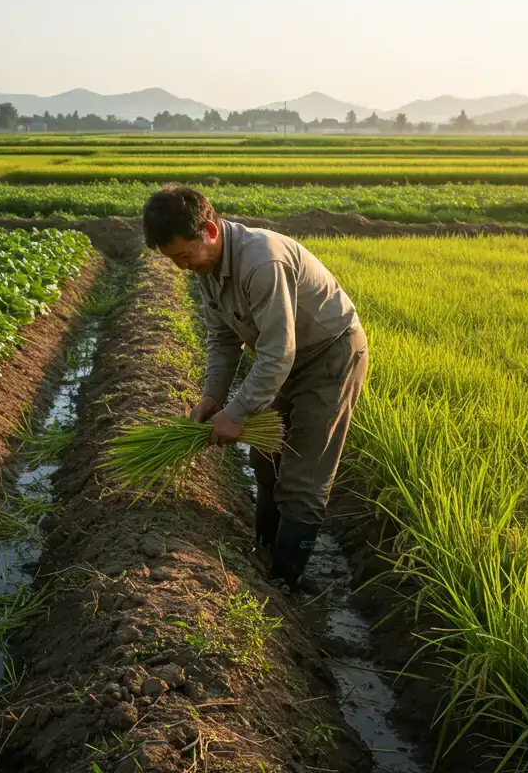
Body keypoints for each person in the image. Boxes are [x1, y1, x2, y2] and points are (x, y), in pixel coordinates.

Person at [142, 184, 369, 590]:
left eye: (182, 255)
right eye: (172, 259)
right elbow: (223, 337)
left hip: (330, 357)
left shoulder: (261, 262)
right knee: (267, 460)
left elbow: (278, 352)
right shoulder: (208, 268)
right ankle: (262, 553)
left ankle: (282, 584)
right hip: (286, 360)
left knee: (303, 478)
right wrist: (214, 397)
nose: (180, 266)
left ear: (209, 231)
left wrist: (238, 412)